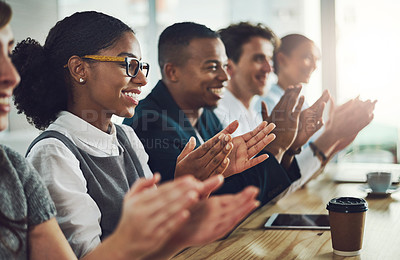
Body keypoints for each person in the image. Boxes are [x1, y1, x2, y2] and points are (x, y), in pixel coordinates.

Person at [10, 9, 260, 258]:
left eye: (142, 66)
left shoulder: (125, 138)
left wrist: (190, 185)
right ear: (79, 69)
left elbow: (158, 240)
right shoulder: (54, 153)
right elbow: (90, 254)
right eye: (129, 64)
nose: (141, 79)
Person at [124, 22, 302, 206]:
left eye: (224, 66)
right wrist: (275, 148)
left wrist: (286, 149)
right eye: (212, 67)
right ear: (173, 72)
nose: (225, 76)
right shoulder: (150, 124)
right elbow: (208, 206)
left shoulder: (203, 111)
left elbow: (235, 181)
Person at [215, 23, 332, 194]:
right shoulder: (219, 116)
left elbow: (269, 183)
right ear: (229, 66)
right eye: (258, 59)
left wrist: (290, 149)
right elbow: (246, 189)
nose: (269, 68)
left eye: (269, 60)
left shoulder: (254, 113)